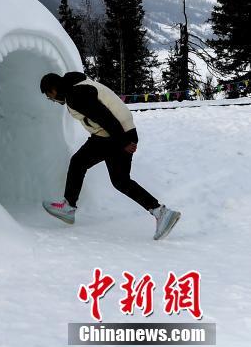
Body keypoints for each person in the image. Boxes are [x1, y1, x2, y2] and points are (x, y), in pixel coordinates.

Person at [39, 71, 181, 240]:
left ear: (54, 89)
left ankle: (68, 208)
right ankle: (161, 212)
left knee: (78, 163)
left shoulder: (75, 95)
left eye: (50, 96)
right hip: (119, 133)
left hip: (115, 135)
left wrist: (124, 141)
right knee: (120, 181)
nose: (52, 100)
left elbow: (104, 116)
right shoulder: (77, 84)